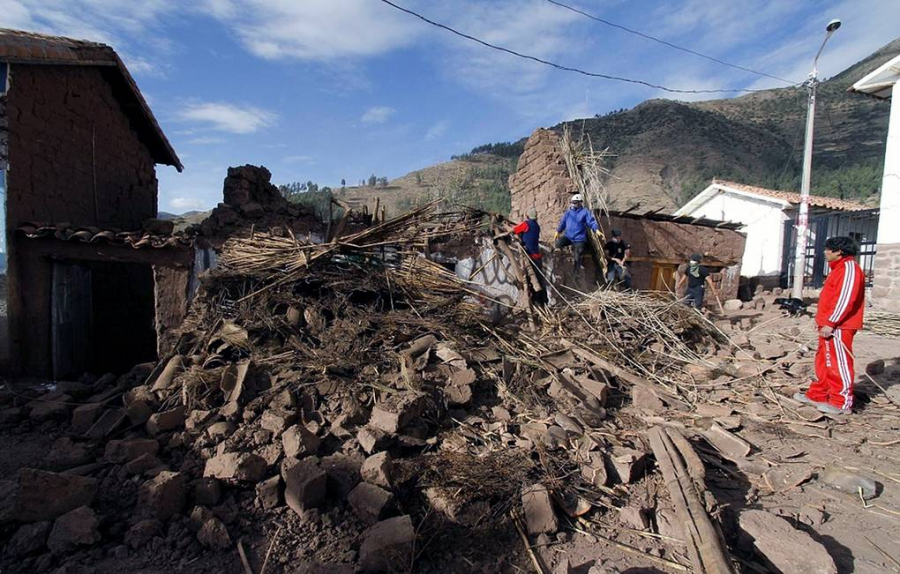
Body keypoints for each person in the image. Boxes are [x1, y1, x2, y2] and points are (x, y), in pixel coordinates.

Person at [794, 236, 865, 415]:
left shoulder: (849, 269)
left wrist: (831, 322)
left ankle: (841, 402)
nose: (825, 252)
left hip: (840, 326)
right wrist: (822, 322)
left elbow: (845, 299)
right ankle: (818, 394)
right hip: (829, 325)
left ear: (839, 251)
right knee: (824, 361)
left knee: (838, 362)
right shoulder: (837, 269)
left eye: (828, 249)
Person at [554, 193, 601, 276]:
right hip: (568, 236)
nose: (573, 204)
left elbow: (591, 222)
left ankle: (576, 272)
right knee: (558, 243)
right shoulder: (568, 213)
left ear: (580, 203)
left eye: (575, 202)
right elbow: (563, 223)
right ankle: (559, 261)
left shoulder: (585, 212)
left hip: (579, 238)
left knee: (578, 254)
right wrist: (558, 231)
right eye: (572, 202)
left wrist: (596, 230)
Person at [512, 207, 547, 305]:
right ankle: (543, 302)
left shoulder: (526, 224)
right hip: (537, 255)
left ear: (527, 216)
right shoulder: (536, 226)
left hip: (530, 255)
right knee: (539, 279)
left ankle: (536, 301)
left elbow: (514, 230)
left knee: (531, 279)